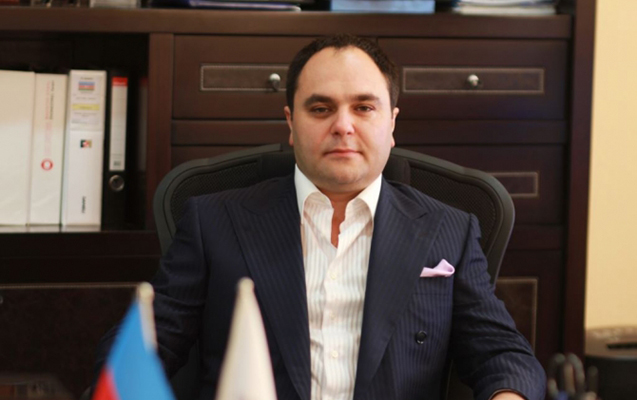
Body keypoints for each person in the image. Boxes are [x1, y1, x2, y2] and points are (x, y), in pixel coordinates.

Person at [97, 34, 545, 400]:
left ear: (392, 123)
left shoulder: (450, 230)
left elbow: (503, 354)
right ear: (291, 123)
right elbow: (142, 349)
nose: (343, 126)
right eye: (321, 108)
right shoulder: (213, 221)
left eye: (364, 107)